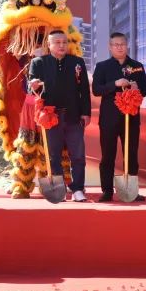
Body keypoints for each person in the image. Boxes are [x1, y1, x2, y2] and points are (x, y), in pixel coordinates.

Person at [27, 30, 91, 202]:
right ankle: (59, 189)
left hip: (74, 115)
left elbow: (84, 90)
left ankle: (78, 189)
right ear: (49, 45)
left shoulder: (77, 62)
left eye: (64, 42)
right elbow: (31, 89)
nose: (62, 45)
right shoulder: (38, 63)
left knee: (77, 155)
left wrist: (86, 113)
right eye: (57, 42)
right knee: (54, 155)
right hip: (50, 116)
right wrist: (34, 86)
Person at [91, 31, 146, 201]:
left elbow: (145, 90)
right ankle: (107, 191)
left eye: (122, 44)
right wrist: (114, 84)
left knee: (131, 154)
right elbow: (96, 90)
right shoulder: (102, 66)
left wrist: (136, 88)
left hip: (131, 118)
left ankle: (131, 190)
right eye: (116, 45)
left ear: (127, 45)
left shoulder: (137, 66)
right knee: (107, 155)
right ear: (110, 47)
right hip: (109, 119)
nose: (119, 47)